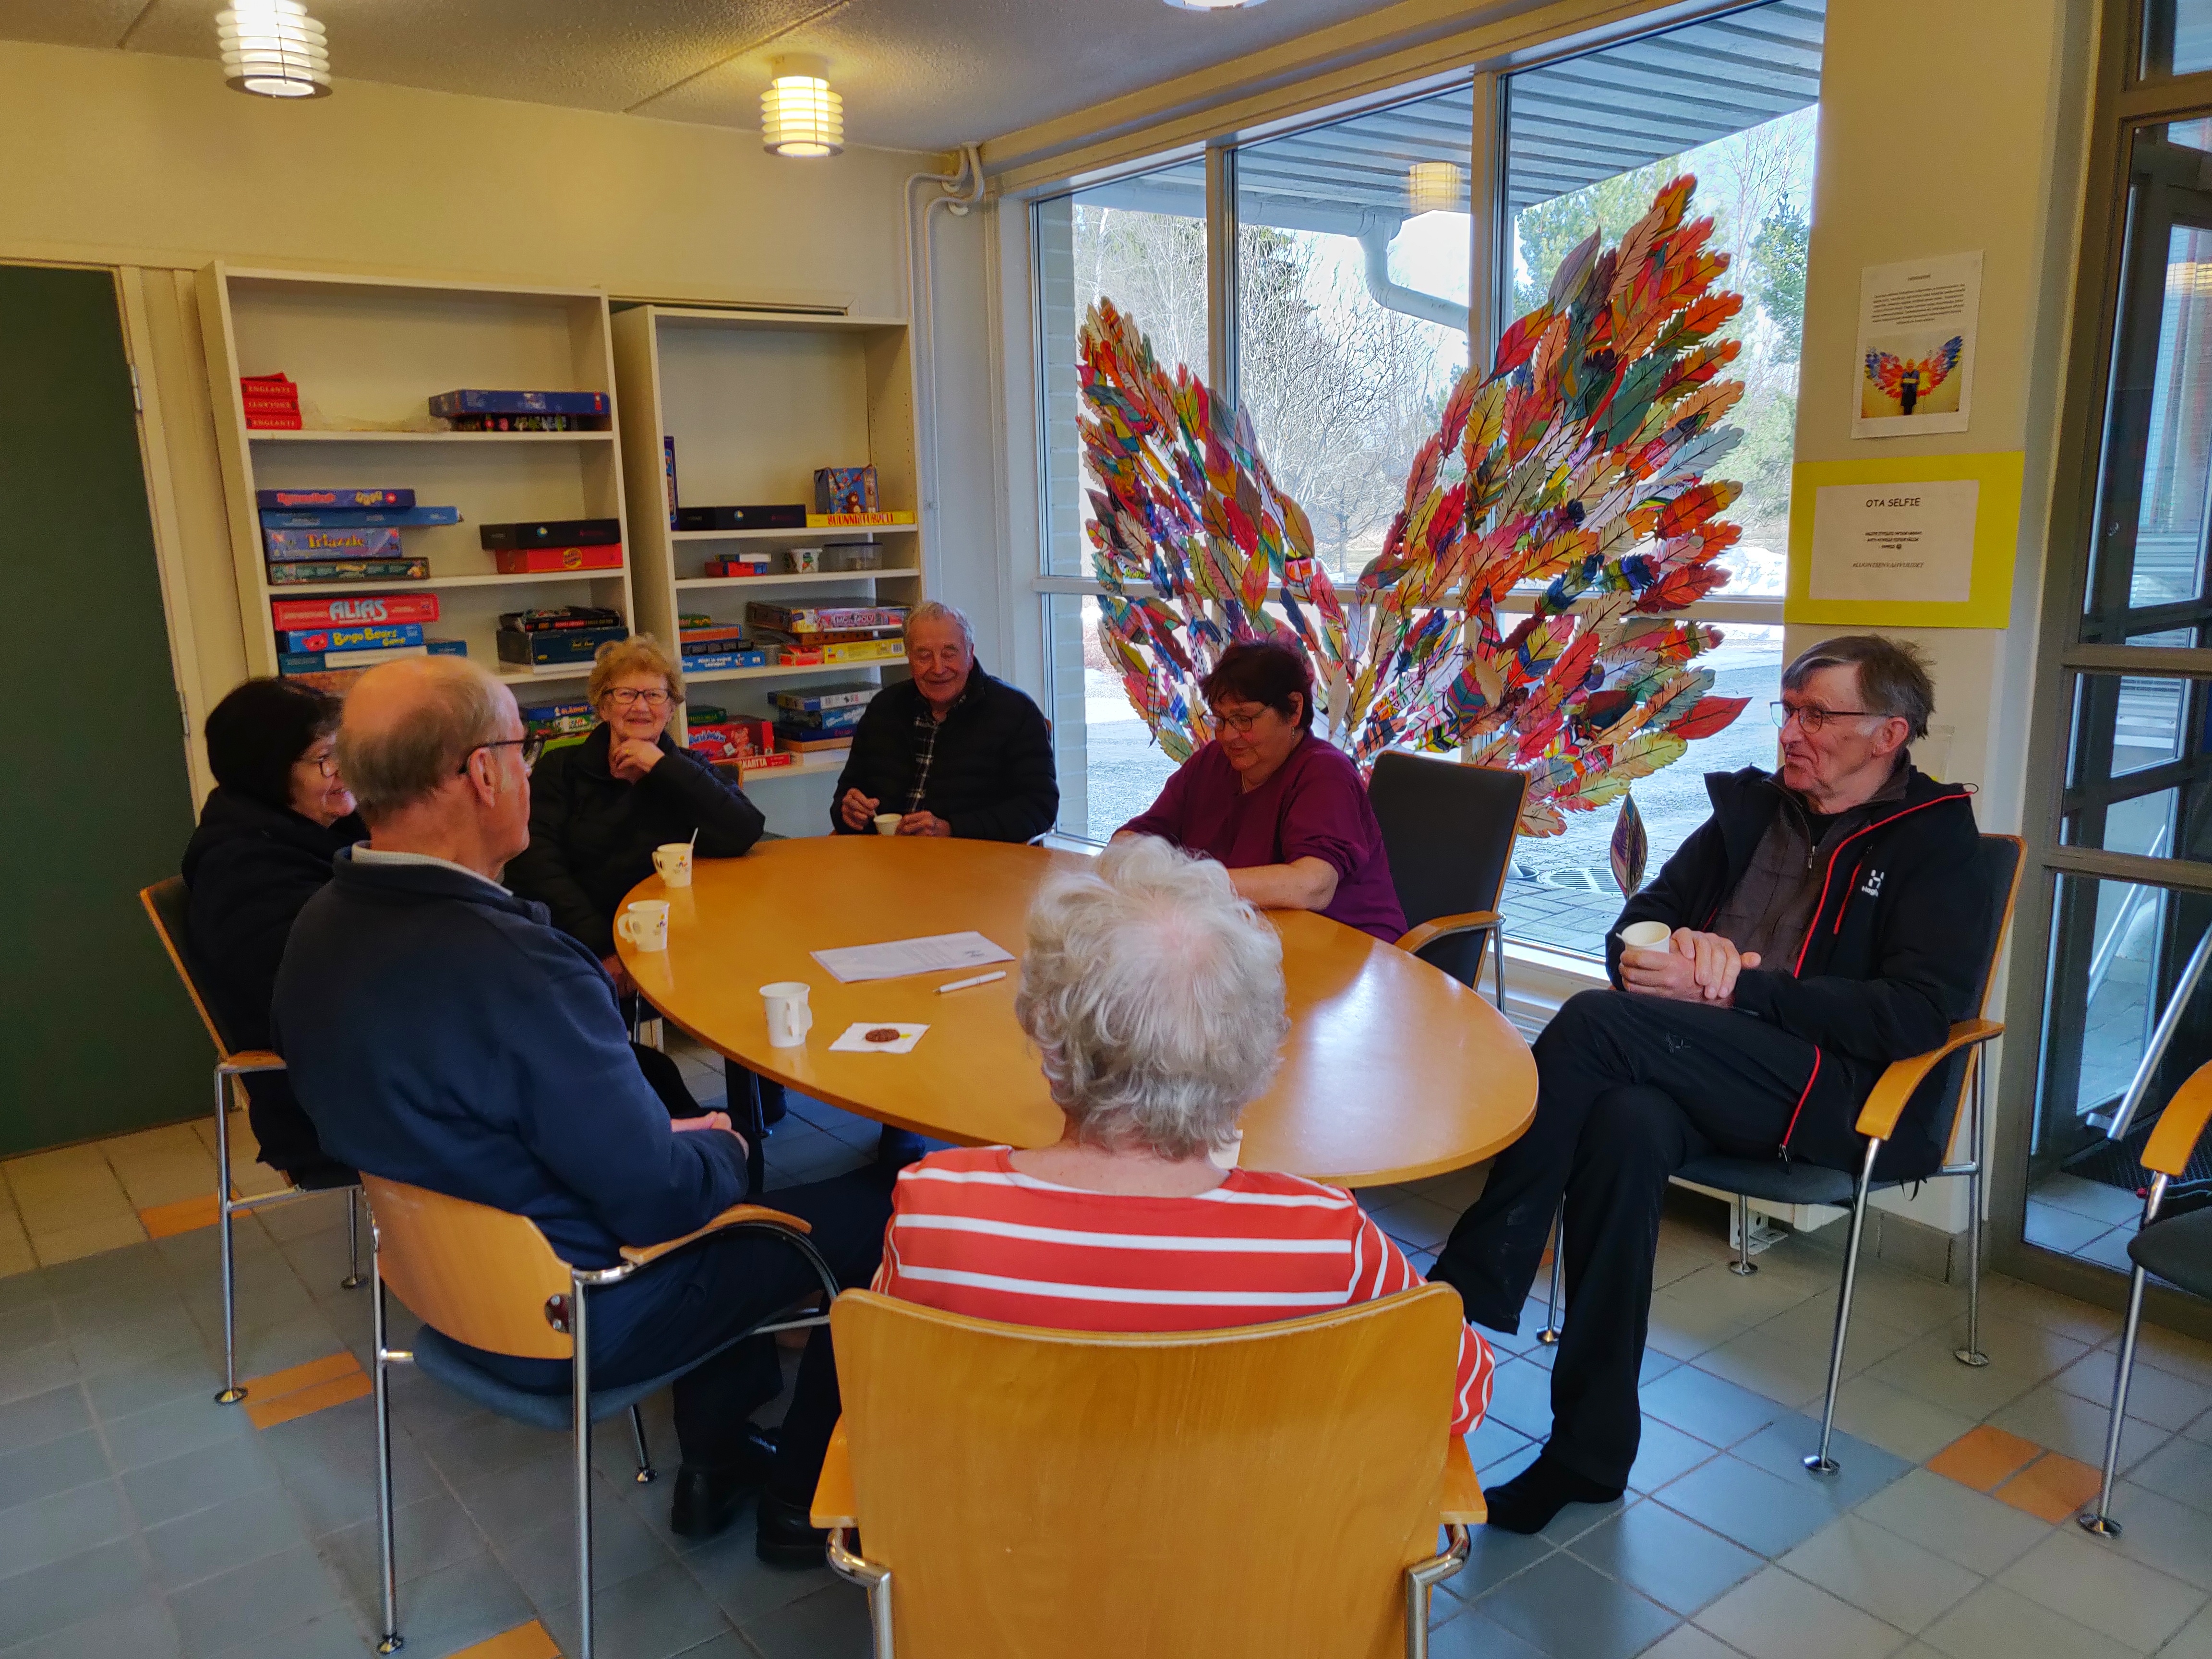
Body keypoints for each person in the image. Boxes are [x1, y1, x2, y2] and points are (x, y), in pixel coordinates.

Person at [271, 657, 890, 1562]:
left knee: (694, 1160)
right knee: (885, 1206)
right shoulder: (523, 967)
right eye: (521, 749)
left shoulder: (320, 925)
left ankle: (718, 1459)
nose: (528, 769)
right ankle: (800, 1504)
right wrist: (719, 1147)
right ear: (482, 774)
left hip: (449, 1291)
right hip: (583, 1310)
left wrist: (661, 1142)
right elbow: (659, 1204)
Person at [1428, 635, 1990, 1534]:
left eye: (1818, 715)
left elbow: (1919, 1014)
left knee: (1593, 1026)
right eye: (1789, 710)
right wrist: (1662, 953)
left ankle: (1466, 1288)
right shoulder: (1753, 811)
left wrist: (1738, 988)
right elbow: (1639, 920)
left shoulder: (1935, 841)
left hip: (1832, 1095)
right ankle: (1587, 1455)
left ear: (1889, 733)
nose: (1792, 732)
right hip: (1698, 1068)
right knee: (1623, 1126)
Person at [876, 834, 1494, 1437]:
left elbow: (888, 1391)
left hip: (1003, 1506)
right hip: (1246, 1510)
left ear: (1049, 1038)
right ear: (1251, 1052)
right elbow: (1463, 1393)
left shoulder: (937, 1207)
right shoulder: (1328, 1238)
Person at [505, 634, 782, 1131]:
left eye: (655, 695)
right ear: (602, 704)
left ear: (672, 707)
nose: (641, 707)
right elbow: (535, 867)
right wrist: (607, 947)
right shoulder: (561, 771)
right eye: (626, 694)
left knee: (753, 966)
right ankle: (648, 1123)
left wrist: (662, 767)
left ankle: (751, 1110)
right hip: (587, 942)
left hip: (683, 941)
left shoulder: (685, 768)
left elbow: (744, 830)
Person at [180, 677, 361, 1187]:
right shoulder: (242, 866)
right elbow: (316, 996)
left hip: (366, 1066)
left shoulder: (320, 830)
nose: (345, 769)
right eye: (325, 758)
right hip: (323, 1099)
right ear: (268, 772)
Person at [1114, 640, 1406, 942]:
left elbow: (1311, 886)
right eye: (1221, 720)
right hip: (1244, 936)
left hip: (1348, 948)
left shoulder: (1325, 772)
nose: (1228, 735)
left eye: (1244, 719)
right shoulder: (1211, 762)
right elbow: (1134, 838)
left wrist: (1187, 882)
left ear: (1294, 710)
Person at [831, 601, 1058, 842]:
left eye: (949, 654)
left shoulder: (1016, 712)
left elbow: (1040, 807)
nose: (938, 668)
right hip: (883, 854)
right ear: (909, 658)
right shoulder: (884, 708)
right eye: (924, 655)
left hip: (970, 856)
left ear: (970, 655)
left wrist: (951, 829)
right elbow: (845, 797)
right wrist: (849, 812)